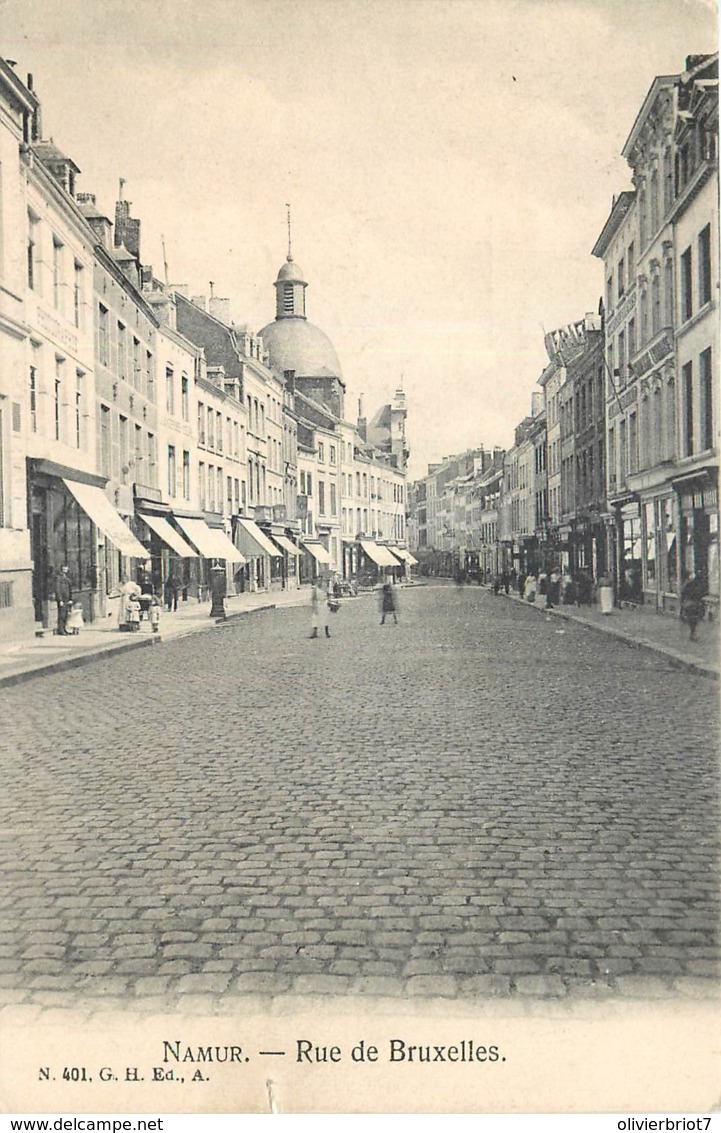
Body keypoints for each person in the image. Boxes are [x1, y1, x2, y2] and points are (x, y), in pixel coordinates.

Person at [680, 573, 706, 641]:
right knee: (694, 620)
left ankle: (693, 634)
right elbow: (701, 593)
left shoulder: (687, 584)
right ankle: (693, 634)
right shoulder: (696, 585)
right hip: (694, 603)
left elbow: (683, 593)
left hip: (690, 603)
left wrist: (683, 603)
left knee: (692, 620)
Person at [54, 565, 72, 635]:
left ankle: (64, 629)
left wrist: (70, 599)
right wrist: (60, 599)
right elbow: (57, 589)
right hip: (62, 600)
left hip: (66, 599)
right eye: (64, 569)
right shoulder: (58, 578)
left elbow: (69, 589)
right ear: (61, 569)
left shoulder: (67, 577)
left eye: (66, 569)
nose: (65, 570)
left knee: (65, 615)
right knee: (61, 615)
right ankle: (60, 630)